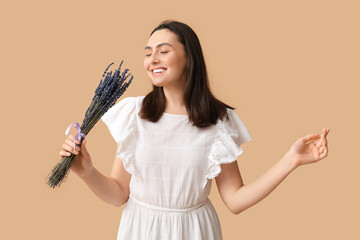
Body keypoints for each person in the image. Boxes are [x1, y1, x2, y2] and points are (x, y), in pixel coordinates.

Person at [59, 20, 330, 240]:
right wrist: (87, 172)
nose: (153, 59)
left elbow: (235, 200)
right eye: (147, 52)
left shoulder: (217, 121)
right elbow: (119, 193)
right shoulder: (135, 114)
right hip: (140, 230)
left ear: (189, 58)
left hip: (196, 231)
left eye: (163, 51)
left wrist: (291, 161)